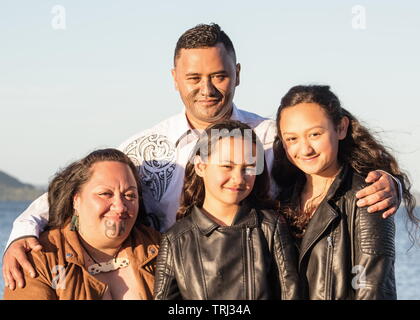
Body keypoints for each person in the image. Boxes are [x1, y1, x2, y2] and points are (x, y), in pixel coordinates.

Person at [3, 23, 399, 291]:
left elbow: (331, 163)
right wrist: (22, 232)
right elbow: (86, 188)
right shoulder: (148, 148)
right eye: (193, 78)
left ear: (238, 73)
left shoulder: (273, 137)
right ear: (174, 78)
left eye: (219, 76)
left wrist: (389, 182)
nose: (207, 89)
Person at [272, 85, 419, 299]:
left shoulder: (367, 196)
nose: (305, 149)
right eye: (292, 139)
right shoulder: (283, 198)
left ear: (340, 128)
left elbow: (373, 289)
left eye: (314, 134)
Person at [154, 120, 300, 299]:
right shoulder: (176, 239)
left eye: (248, 168)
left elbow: (290, 293)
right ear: (201, 166)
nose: (238, 179)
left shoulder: (270, 227)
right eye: (227, 166)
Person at [4, 149, 160, 300]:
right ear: (76, 200)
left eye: (129, 195)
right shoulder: (42, 260)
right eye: (105, 194)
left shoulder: (162, 250)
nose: (120, 207)